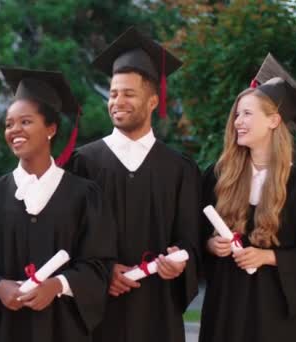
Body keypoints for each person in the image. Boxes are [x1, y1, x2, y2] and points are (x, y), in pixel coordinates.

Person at [0, 67, 116, 342]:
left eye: (26, 122)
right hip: (5, 331)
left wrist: (57, 285)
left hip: (65, 330)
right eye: (9, 124)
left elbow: (99, 265)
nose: (15, 130)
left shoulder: (83, 195)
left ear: (51, 129)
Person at [66, 27, 201, 342]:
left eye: (128, 93)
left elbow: (191, 240)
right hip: (98, 314)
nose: (117, 101)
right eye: (113, 93)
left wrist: (182, 263)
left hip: (158, 313)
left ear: (153, 101)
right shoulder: (83, 162)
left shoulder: (179, 169)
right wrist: (101, 271)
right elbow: (68, 235)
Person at [199, 53, 296, 342]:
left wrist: (269, 256)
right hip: (227, 312)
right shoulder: (219, 177)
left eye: (247, 113)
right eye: (237, 114)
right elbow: (192, 236)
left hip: (281, 320)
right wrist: (211, 244)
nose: (237, 121)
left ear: (274, 121)